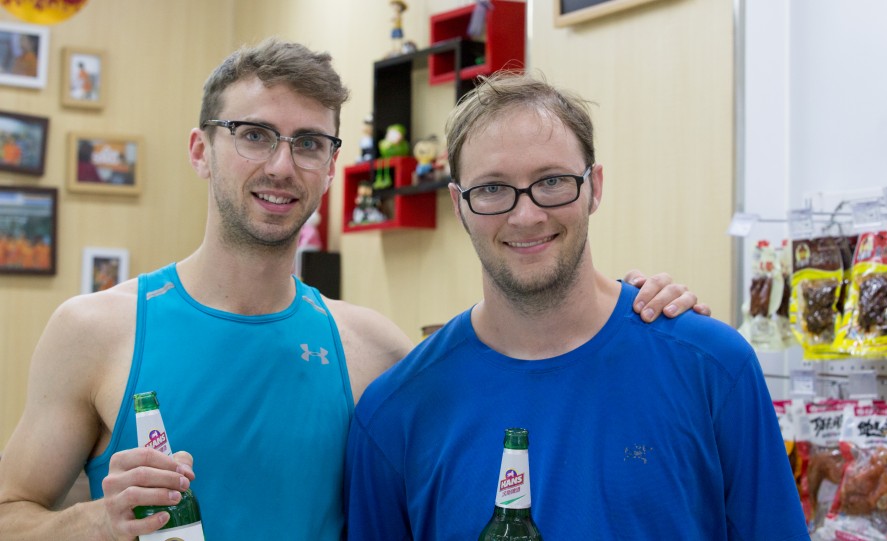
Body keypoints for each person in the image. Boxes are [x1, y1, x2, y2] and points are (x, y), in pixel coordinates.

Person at [0, 39, 706, 540]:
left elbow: (529, 392)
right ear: (199, 149)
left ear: (332, 162)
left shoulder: (373, 349)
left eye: (310, 142)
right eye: (253, 134)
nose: (282, 163)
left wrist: (644, 312)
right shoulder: (97, 330)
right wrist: (91, 520)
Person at [343, 72, 808, 540]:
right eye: (491, 189)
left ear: (595, 187)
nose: (526, 215)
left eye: (552, 181)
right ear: (458, 204)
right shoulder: (394, 415)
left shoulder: (712, 368)